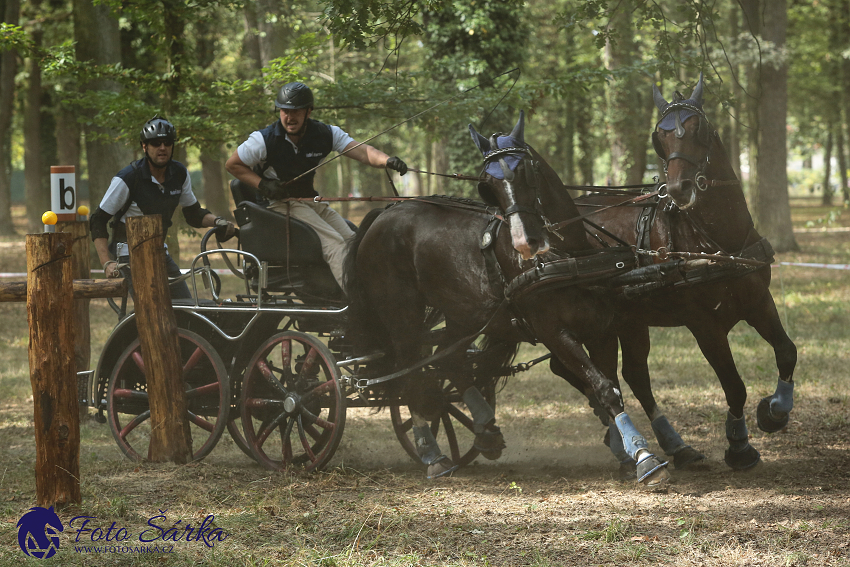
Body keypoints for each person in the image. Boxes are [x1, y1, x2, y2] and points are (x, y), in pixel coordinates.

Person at [224, 81, 408, 289]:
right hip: (279, 205)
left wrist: (387, 160)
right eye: (284, 111)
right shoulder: (262, 140)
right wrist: (263, 184)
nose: (289, 117)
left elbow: (362, 151)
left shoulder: (325, 133)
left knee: (355, 242)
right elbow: (232, 164)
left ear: (308, 111)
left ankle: (380, 291)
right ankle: (359, 304)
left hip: (310, 200)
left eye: (296, 111)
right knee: (335, 245)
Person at [90, 116, 236, 299]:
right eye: (155, 143)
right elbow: (98, 220)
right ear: (145, 147)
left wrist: (218, 222)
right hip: (128, 256)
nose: (162, 148)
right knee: (150, 309)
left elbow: (193, 214)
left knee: (185, 306)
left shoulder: (179, 173)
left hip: (159, 250)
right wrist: (106, 263)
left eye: (167, 142)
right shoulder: (128, 178)